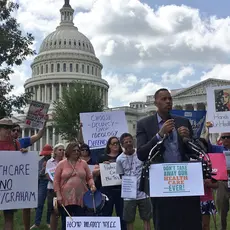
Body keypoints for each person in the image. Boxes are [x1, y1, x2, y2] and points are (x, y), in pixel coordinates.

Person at [136, 88, 202, 230]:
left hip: (184, 181)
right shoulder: (144, 124)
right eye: (164, 99)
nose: (168, 102)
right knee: (165, 222)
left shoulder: (182, 121)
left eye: (170, 99)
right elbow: (141, 154)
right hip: (161, 183)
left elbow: (195, 151)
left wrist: (188, 138)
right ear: (156, 102)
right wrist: (159, 135)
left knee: (189, 221)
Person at [53, 142, 96, 230]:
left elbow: (89, 177)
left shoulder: (83, 163)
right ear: (69, 151)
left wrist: (92, 185)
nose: (76, 152)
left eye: (78, 150)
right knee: (67, 222)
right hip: (65, 197)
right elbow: (56, 181)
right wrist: (58, 195)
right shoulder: (61, 164)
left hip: (81, 196)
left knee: (80, 221)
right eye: (74, 150)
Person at [116, 133, 152, 230]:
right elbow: (121, 175)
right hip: (129, 194)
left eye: (130, 141)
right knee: (129, 220)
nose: (128, 143)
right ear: (122, 145)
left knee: (147, 218)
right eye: (125, 142)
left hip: (143, 192)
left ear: (133, 142)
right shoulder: (119, 159)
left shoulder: (141, 153)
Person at [94, 137, 127, 230]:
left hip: (121, 189)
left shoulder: (123, 156)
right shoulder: (102, 157)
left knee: (122, 214)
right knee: (106, 213)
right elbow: (94, 173)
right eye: (114, 143)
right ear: (109, 145)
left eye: (117, 143)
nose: (116, 145)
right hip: (106, 190)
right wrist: (103, 167)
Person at [0, 118, 27, 230]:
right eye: (5, 128)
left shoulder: (15, 143)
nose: (8, 131)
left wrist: (23, 154)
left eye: (9, 128)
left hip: (9, 187)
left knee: (9, 216)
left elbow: (19, 164)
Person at [205, 122, 230, 230]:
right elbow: (207, 145)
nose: (225, 139)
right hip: (222, 183)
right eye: (223, 137)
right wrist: (208, 131)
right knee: (222, 210)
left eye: (227, 137)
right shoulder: (219, 149)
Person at [30, 144, 53, 229]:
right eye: (45, 154)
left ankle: (48, 221)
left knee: (50, 203)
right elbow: (38, 175)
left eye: (48, 154)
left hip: (51, 182)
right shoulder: (40, 162)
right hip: (43, 182)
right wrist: (43, 168)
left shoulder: (54, 161)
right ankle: (37, 223)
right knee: (39, 203)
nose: (47, 155)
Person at [44, 143, 65, 230]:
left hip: (64, 189)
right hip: (52, 189)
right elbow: (47, 174)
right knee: (53, 211)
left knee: (64, 211)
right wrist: (56, 182)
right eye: (60, 150)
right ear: (55, 152)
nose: (62, 152)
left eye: (63, 150)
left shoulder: (65, 162)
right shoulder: (50, 162)